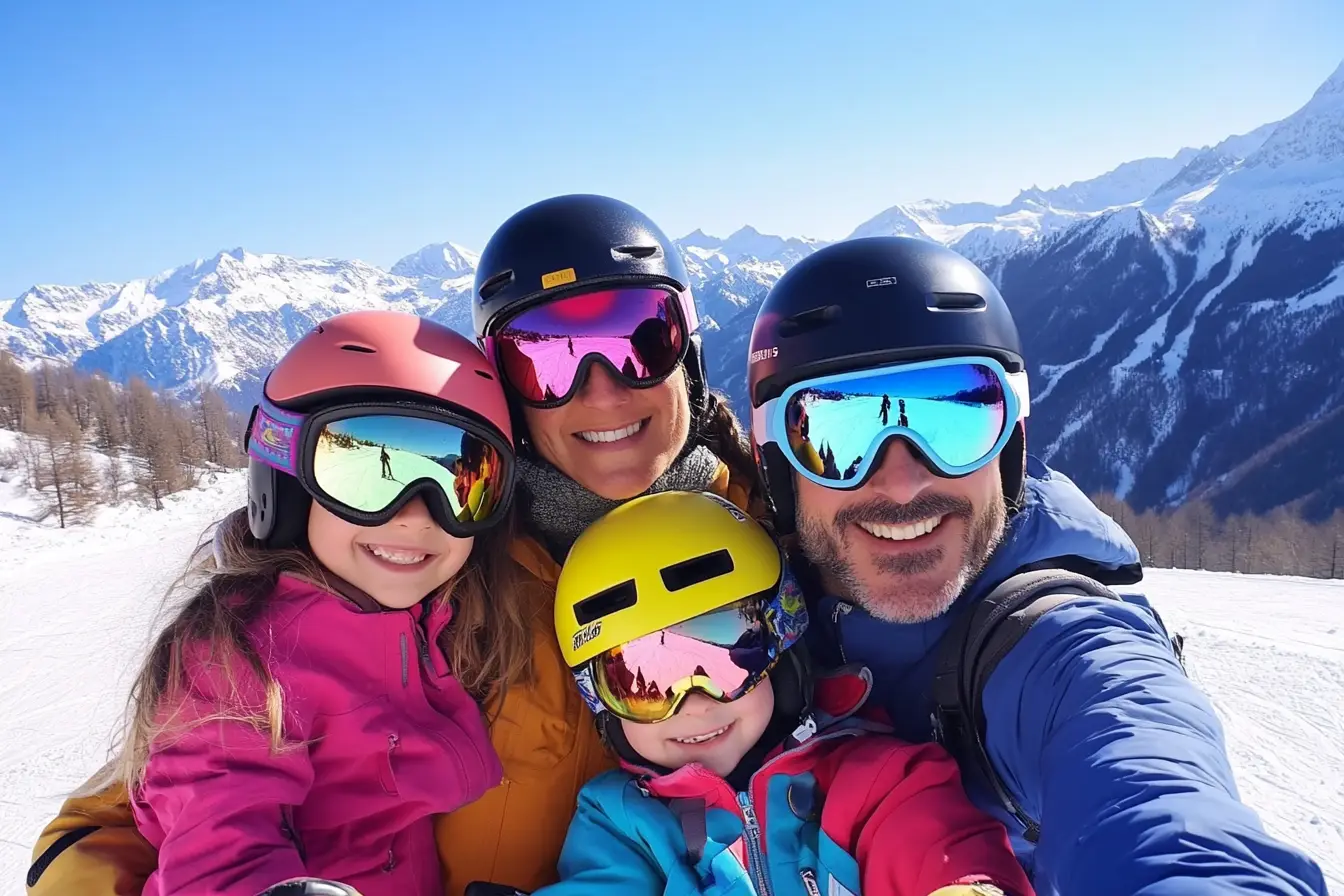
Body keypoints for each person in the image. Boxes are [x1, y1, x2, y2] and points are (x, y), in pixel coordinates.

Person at [28, 195, 765, 896]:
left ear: (689, 354)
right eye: (546, 360)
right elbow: (169, 806)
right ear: (505, 396)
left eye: (642, 338)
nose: (600, 389)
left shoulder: (778, 537)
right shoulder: (440, 582)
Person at [746, 236, 1329, 895]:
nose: (903, 481)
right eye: (837, 434)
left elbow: (1154, 793)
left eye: (955, 417)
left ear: (1012, 444)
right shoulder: (739, 609)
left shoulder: (1054, 647)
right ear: (778, 471)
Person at [131, 310, 518, 895]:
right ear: (283, 484)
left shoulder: (444, 625)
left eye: (461, 481)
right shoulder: (238, 661)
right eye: (365, 477)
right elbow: (219, 837)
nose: (413, 516)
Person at [540, 489, 1034, 896]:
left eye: (725, 656)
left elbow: (933, 845)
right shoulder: (623, 825)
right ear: (602, 705)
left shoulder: (875, 779)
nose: (694, 703)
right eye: (643, 685)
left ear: (784, 652)